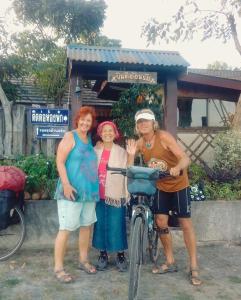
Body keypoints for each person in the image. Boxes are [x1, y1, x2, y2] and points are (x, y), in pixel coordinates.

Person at [127, 108, 202, 286]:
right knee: (161, 222)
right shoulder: (138, 144)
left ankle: (194, 266)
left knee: (185, 223)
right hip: (160, 185)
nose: (143, 124)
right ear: (137, 127)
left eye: (146, 120)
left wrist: (177, 167)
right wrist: (130, 156)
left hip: (178, 185)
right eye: (139, 122)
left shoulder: (164, 137)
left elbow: (185, 158)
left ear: (154, 123)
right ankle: (170, 261)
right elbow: (129, 168)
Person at [54, 106, 99, 283]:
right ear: (77, 120)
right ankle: (58, 268)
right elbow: (59, 161)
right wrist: (65, 184)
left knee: (86, 226)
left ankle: (83, 260)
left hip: (89, 192)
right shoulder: (69, 136)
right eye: (83, 119)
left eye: (89, 120)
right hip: (71, 191)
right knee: (65, 228)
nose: (85, 123)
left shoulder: (88, 139)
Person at [92, 121, 129, 272]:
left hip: (115, 193)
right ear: (100, 134)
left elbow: (128, 169)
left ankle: (120, 255)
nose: (107, 133)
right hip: (98, 193)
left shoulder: (121, 152)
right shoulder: (94, 150)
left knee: (117, 224)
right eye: (104, 131)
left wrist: (126, 192)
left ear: (115, 133)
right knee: (100, 224)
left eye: (110, 130)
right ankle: (103, 254)